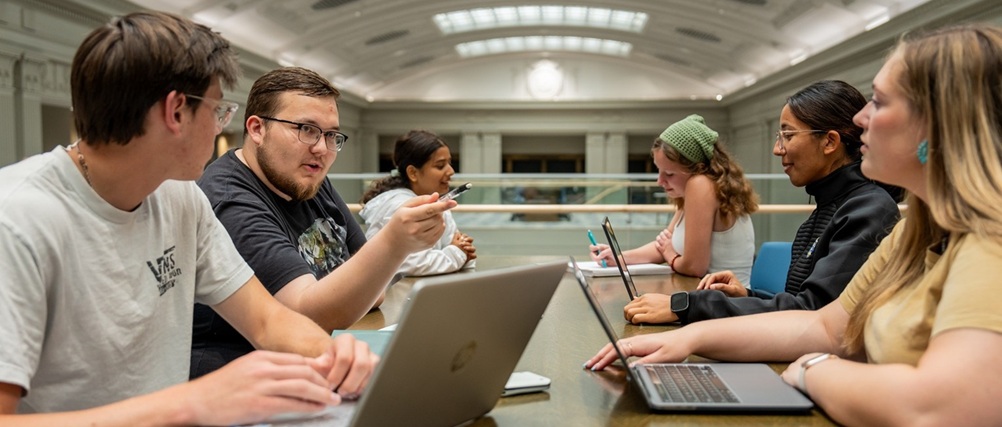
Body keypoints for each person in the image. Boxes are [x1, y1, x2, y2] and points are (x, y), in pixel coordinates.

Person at [586, 24, 1002, 426]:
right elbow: (822, 325)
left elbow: (941, 410)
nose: (860, 119)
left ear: (939, 123)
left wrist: (813, 370)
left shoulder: (989, 243)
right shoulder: (914, 234)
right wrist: (688, 339)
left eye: (878, 101)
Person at [0, 11, 388, 424]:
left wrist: (338, 359)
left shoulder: (181, 197)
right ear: (176, 111)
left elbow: (268, 320)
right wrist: (191, 402)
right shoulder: (18, 221)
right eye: (219, 111)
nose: (222, 128)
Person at [192, 68, 450, 377]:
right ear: (257, 129)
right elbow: (304, 314)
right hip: (243, 383)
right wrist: (394, 243)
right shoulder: (231, 198)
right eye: (306, 129)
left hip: (311, 362)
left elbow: (373, 294)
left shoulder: (306, 177)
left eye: (330, 135)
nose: (322, 149)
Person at [621, 81, 900, 325]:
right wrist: (748, 296)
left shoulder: (867, 210)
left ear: (829, 142)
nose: (777, 149)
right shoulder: (826, 212)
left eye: (788, 136)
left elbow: (812, 314)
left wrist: (688, 306)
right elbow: (799, 304)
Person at [590, 114, 758, 283]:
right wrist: (618, 258)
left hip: (727, 303)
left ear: (697, 168)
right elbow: (661, 246)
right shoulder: (693, 192)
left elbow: (694, 266)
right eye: (659, 171)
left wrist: (671, 255)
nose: (660, 181)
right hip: (708, 296)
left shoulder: (700, 184)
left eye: (669, 174)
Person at [359, 130, 477, 276]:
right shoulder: (397, 206)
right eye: (440, 166)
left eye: (450, 163)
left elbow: (458, 249)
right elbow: (408, 264)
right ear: (413, 173)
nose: (451, 171)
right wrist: (458, 253)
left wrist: (462, 251)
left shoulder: (439, 204)